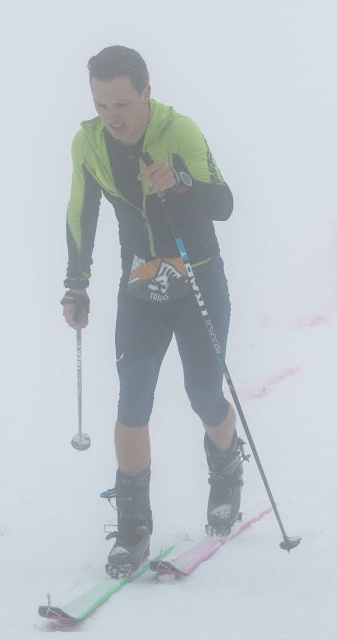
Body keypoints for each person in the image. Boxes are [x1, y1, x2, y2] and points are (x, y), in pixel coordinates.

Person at [62, 45, 246, 576]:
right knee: (133, 401)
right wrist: (76, 286)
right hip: (141, 284)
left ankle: (226, 469)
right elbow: (81, 212)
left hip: (197, 279)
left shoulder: (178, 132)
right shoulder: (88, 144)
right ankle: (133, 526)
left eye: (122, 103)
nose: (112, 117)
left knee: (203, 394)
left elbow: (224, 204)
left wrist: (181, 184)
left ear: (146, 92)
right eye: (101, 106)